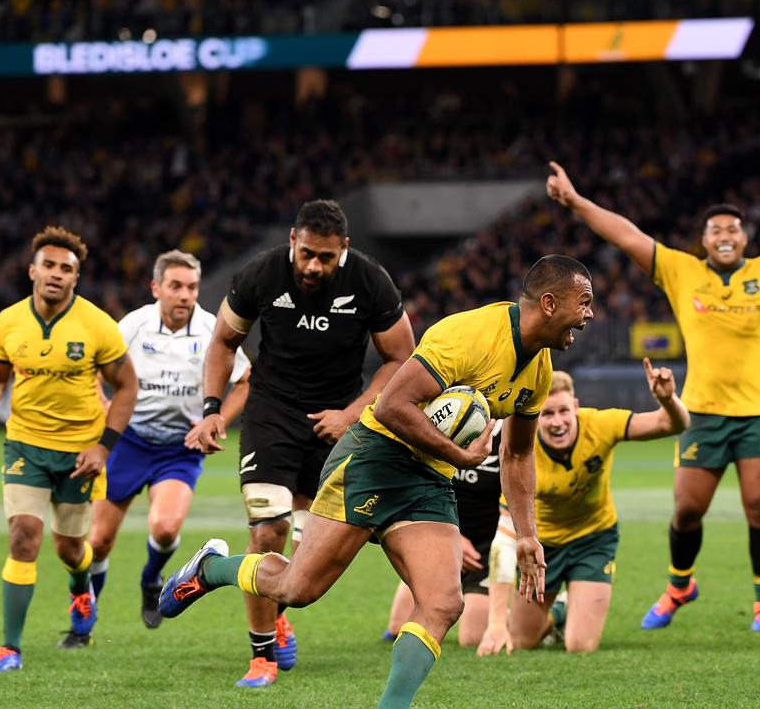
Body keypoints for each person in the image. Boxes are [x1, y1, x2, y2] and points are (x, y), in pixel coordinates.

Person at [161, 254, 594, 708]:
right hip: (374, 459)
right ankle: (210, 570)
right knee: (297, 589)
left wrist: (527, 535)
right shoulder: (470, 336)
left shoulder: (539, 370)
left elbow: (519, 452)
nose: (589, 315)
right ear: (548, 302)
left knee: (444, 602)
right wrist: (459, 454)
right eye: (583, 303)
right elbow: (392, 407)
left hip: (427, 480)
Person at [545, 161, 760, 633]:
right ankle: (679, 585)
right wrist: (576, 200)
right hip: (702, 410)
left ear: (744, 238)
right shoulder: (681, 271)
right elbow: (626, 236)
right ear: (703, 240)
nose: (724, 234)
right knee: (687, 509)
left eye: (732, 228)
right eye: (715, 229)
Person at [188, 199, 415, 688]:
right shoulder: (262, 274)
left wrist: (352, 414)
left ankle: (276, 602)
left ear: (345, 250)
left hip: (338, 420)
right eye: (307, 253)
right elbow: (225, 342)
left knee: (309, 547)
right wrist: (211, 408)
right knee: (268, 527)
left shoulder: (371, 283)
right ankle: (261, 655)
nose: (314, 266)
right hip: (271, 413)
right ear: (292, 240)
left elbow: (401, 358)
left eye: (326, 257)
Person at [0, 227, 137, 671]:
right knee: (24, 535)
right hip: (25, 444)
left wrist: (103, 448)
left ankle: (81, 588)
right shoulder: (7, 322)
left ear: (76, 279)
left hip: (80, 453)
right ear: (32, 270)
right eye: (49, 265)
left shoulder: (97, 325)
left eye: (67, 269)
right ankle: (10, 648)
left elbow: (127, 386)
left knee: (70, 549)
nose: (56, 275)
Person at [85, 250, 251, 629]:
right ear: (156, 287)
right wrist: (104, 405)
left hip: (180, 447)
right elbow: (95, 367)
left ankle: (151, 579)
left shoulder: (213, 329)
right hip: (129, 442)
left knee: (164, 528)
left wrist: (215, 420)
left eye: (191, 287)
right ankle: (85, 618)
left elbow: (244, 380)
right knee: (97, 542)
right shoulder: (134, 325)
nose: (185, 295)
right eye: (175, 286)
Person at [481, 362, 689, 655]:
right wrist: (495, 623)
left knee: (579, 645)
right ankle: (562, 609)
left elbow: (673, 425)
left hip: (593, 539)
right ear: (534, 417)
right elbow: (502, 541)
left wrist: (667, 399)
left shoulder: (601, 425)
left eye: (563, 411)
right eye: (547, 413)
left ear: (576, 406)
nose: (557, 422)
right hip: (544, 547)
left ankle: (566, 606)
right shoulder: (520, 450)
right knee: (522, 642)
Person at [381, 421, 504, 647]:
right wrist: (455, 538)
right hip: (440, 536)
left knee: (472, 638)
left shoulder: (508, 433)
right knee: (398, 628)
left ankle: (515, 611)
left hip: (485, 548)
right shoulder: (446, 418)